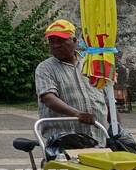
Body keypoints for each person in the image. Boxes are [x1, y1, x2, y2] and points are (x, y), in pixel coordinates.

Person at [35, 18, 122, 150]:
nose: (55, 45)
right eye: (51, 41)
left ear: (75, 41)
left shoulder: (92, 64)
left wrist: (118, 129)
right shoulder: (45, 68)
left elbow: (108, 99)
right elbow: (48, 98)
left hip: (99, 138)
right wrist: (77, 114)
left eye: (61, 41)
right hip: (64, 141)